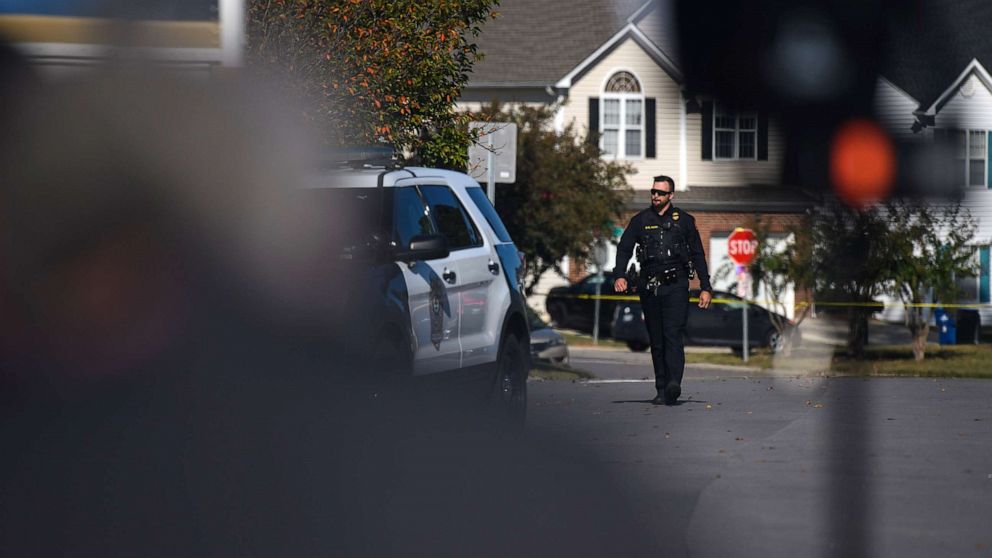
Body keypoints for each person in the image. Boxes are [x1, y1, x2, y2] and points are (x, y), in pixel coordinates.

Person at [613, 175, 712, 405]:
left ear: (671, 195)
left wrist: (705, 287)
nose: (655, 196)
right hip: (649, 286)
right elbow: (624, 248)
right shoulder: (640, 220)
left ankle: (673, 383)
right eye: (653, 191)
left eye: (660, 192)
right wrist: (619, 275)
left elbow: (698, 254)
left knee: (673, 334)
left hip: (676, 286)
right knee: (657, 340)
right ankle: (661, 387)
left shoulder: (684, 221)